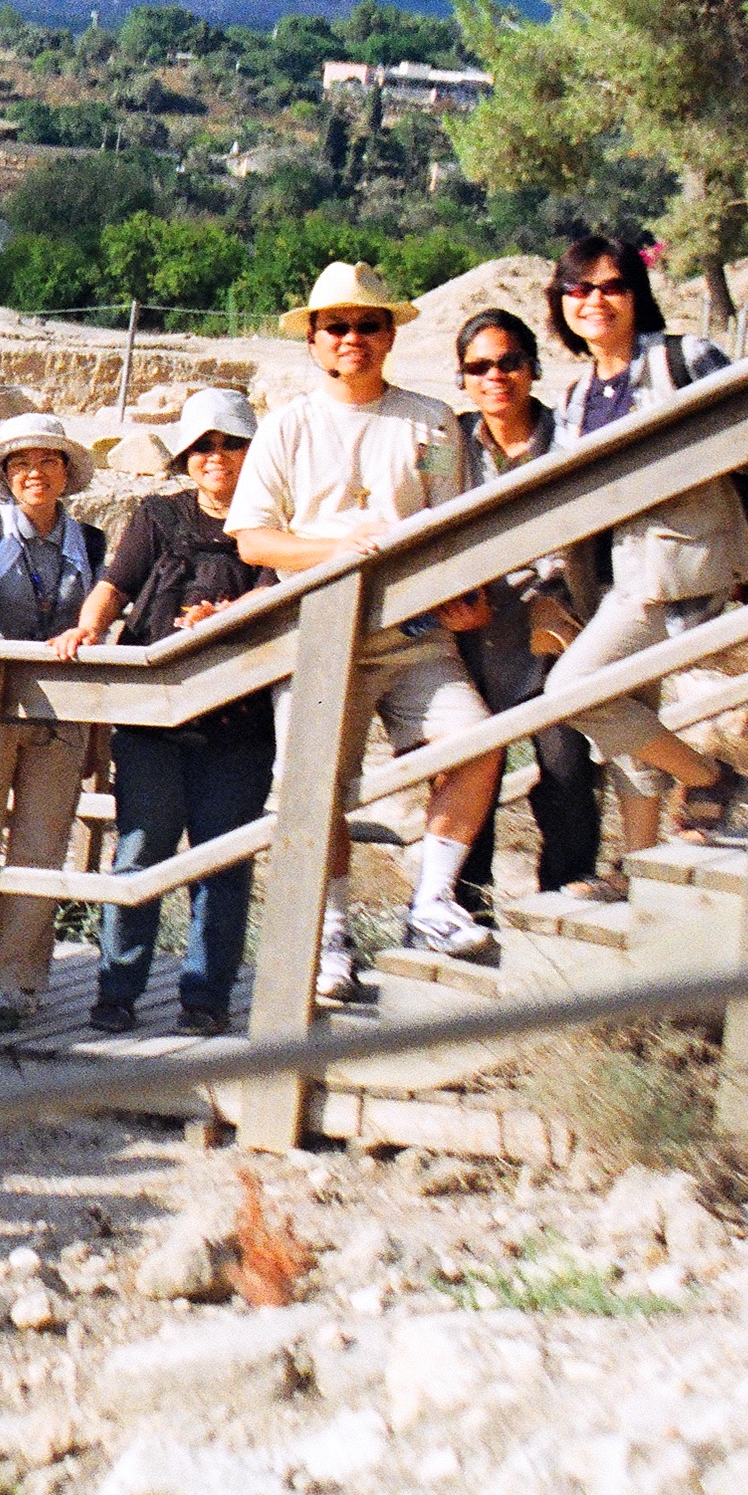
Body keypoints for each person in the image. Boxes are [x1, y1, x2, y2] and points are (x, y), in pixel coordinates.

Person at [226, 263, 505, 1004]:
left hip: (415, 634)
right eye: (337, 327)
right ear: (314, 341)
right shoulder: (287, 424)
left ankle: (434, 902)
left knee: (476, 743)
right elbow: (254, 540)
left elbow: (452, 523)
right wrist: (338, 553)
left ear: (390, 335)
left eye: (367, 325)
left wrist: (466, 596)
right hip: (321, 636)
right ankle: (330, 937)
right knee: (312, 787)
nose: (352, 339)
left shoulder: (432, 421)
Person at [540, 237, 748, 881]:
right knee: (629, 716)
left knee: (575, 692)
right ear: (562, 305)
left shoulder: (685, 357)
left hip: (678, 567)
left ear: (638, 295)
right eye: (578, 290)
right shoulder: (577, 395)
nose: (595, 301)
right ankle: (640, 865)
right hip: (614, 575)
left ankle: (711, 778)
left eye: (612, 287)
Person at [64, 391, 273, 1036]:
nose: (216, 458)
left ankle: (206, 997)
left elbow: (276, 596)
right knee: (139, 851)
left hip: (238, 719)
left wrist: (227, 619)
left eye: (230, 444)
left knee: (222, 860)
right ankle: (117, 989)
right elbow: (115, 584)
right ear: (185, 456)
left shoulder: (271, 522)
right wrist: (87, 629)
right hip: (155, 716)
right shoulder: (159, 516)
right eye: (203, 446)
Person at [0, 413, 106, 1028]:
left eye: (47, 462)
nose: (34, 474)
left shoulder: (89, 543)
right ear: (6, 476)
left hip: (62, 714)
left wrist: (99, 732)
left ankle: (18, 983)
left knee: (41, 847)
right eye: (21, 464)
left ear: (66, 473)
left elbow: (99, 618)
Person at [448, 309, 604, 910]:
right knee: (468, 780)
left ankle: (563, 908)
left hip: (553, 629)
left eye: (508, 361)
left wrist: (559, 592)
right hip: (473, 632)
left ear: (533, 367)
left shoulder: (568, 433)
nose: (496, 376)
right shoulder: (450, 443)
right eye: (479, 366)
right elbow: (422, 508)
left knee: (566, 775)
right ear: (462, 378)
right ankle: (466, 914)